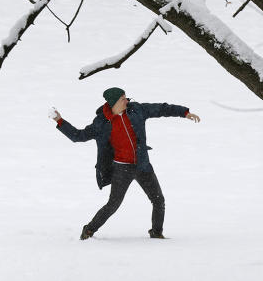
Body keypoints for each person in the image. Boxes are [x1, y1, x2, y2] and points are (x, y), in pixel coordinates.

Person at [50, 87, 200, 240]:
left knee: (158, 200)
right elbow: (78, 136)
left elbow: (161, 109)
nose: (127, 100)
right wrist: (60, 121)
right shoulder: (102, 123)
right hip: (122, 168)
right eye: (123, 98)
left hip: (142, 165)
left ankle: (156, 233)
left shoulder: (136, 110)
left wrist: (184, 113)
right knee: (113, 205)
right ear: (113, 103)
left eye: (126, 97)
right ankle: (88, 230)